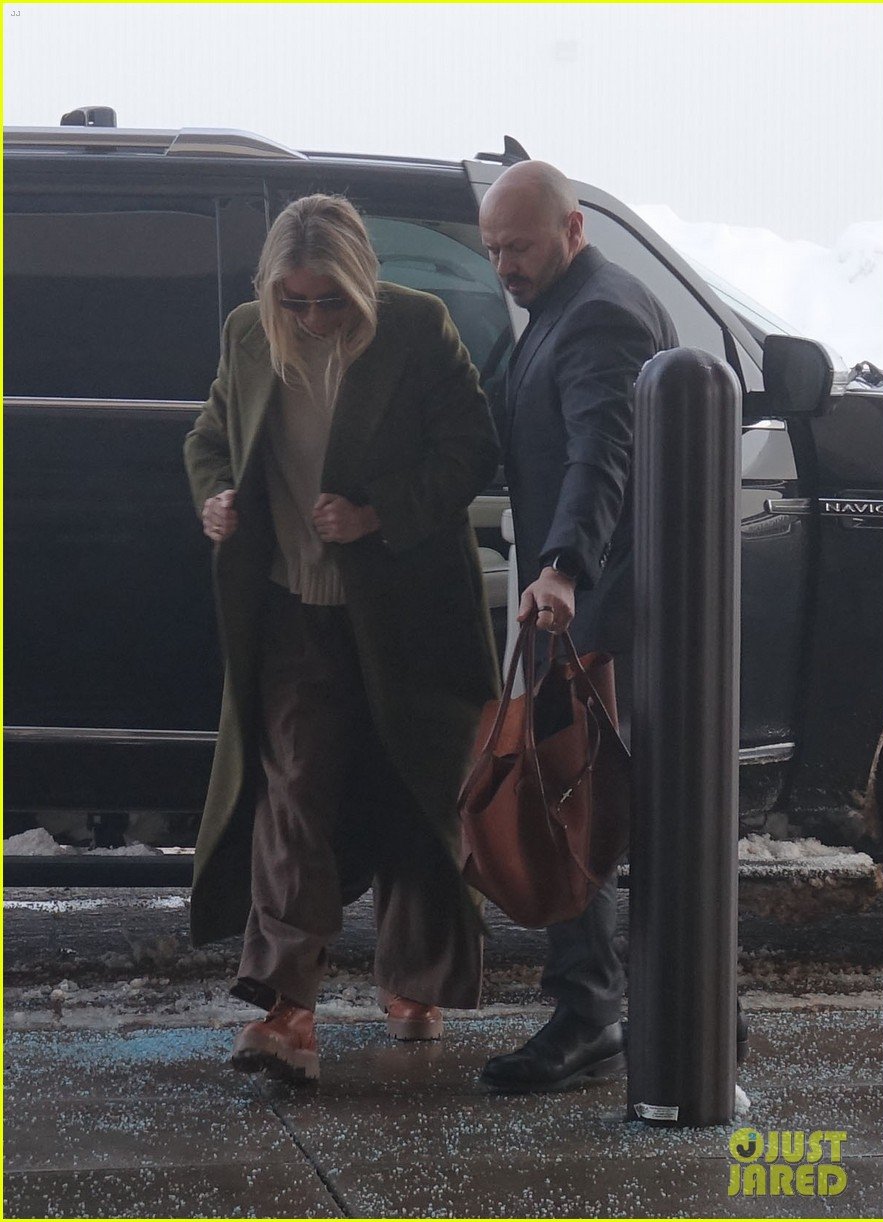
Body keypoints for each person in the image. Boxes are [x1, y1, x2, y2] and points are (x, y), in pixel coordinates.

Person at [184, 194, 500, 1083]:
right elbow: (209, 437)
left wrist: (376, 514)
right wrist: (214, 498)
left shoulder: (416, 327)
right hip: (293, 608)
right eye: (296, 301)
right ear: (271, 292)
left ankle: (417, 982)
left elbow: (470, 449)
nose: (314, 317)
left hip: (408, 611)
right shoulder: (250, 334)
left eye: (330, 300)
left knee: (416, 786)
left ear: (362, 283)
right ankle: (288, 1010)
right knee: (293, 794)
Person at [477, 160, 681, 1092]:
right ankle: (669, 1008)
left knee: (583, 804)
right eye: (492, 251)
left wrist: (561, 565)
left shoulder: (601, 314)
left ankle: (602, 1013)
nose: (504, 267)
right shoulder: (559, 307)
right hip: (595, 604)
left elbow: (604, 451)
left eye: (518, 247)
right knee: (596, 803)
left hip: (609, 608)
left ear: (572, 229)